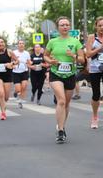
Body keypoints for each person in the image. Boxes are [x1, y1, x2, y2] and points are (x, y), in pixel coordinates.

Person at [44, 16, 84, 144]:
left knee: (66, 103)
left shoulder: (75, 42)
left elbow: (82, 59)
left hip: (70, 74)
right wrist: (51, 61)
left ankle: (62, 125)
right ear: (58, 27)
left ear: (70, 27)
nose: (65, 27)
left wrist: (73, 56)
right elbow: (45, 56)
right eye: (62, 25)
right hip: (56, 73)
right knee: (61, 100)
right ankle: (60, 130)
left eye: (67, 25)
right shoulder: (52, 42)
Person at [0, 37, 18, 120]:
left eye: (2, 42)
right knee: (1, 93)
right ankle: (3, 113)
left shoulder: (9, 52)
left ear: (4, 43)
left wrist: (11, 63)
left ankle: (3, 103)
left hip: (8, 76)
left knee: (6, 97)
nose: (0, 44)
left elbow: (17, 61)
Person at [12, 40, 31, 109]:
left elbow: (29, 62)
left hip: (24, 72)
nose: (21, 45)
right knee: (18, 89)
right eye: (20, 43)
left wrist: (30, 63)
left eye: (22, 43)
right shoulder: (14, 52)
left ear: (24, 45)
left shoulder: (27, 53)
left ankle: (20, 101)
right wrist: (12, 65)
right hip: (16, 72)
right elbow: (10, 61)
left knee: (24, 86)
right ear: (18, 45)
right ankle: (16, 91)